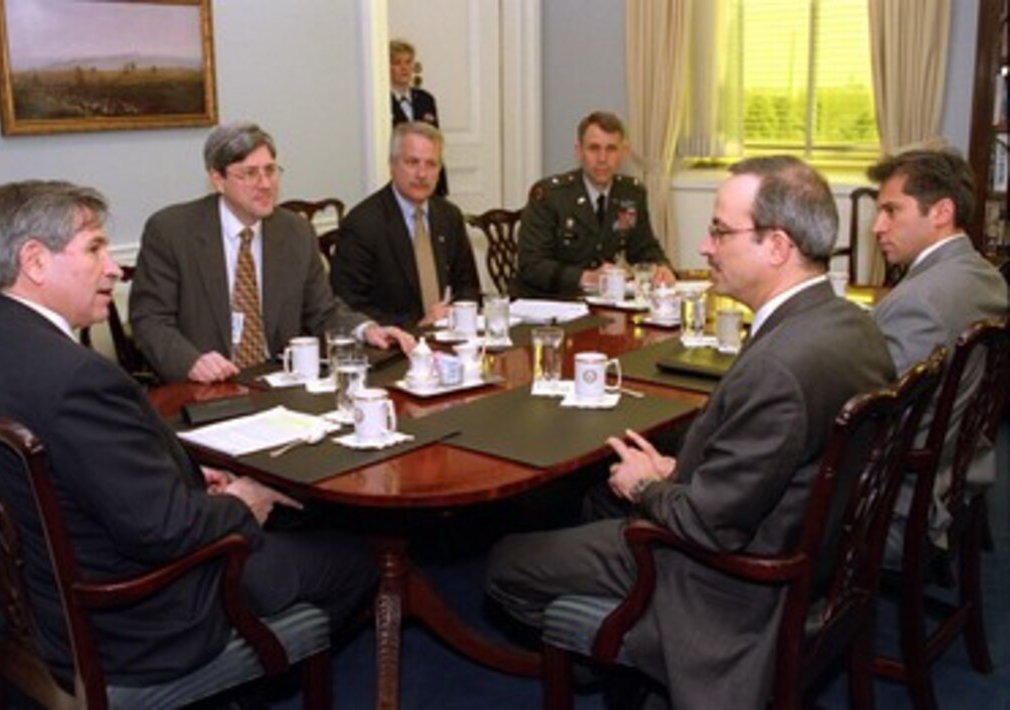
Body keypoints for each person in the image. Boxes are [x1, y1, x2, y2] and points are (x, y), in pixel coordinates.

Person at [0, 180, 377, 686]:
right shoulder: (77, 378)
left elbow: (83, 466)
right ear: (34, 261)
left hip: (26, 592)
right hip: (134, 621)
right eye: (95, 248)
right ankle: (263, 675)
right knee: (362, 554)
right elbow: (161, 530)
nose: (115, 267)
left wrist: (186, 474)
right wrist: (243, 501)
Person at [486, 156, 895, 709]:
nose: (704, 248)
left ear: (776, 246)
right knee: (588, 503)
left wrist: (647, 488)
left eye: (720, 231)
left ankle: (611, 649)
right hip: (808, 547)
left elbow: (710, 527)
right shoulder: (852, 325)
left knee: (506, 563)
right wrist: (678, 472)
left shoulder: (780, 368)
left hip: (726, 584)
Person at [130, 121, 413, 384]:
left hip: (278, 384)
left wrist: (365, 329)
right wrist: (191, 362)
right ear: (218, 179)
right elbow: (150, 321)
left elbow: (322, 312)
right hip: (207, 390)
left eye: (270, 170)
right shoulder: (172, 232)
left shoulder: (295, 232)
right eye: (250, 173)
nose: (265, 184)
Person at [866, 148, 1008, 565]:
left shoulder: (919, 303)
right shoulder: (984, 274)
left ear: (941, 211)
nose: (877, 227)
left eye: (892, 211)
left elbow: (869, 422)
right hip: (958, 468)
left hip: (902, 503)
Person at [331, 122, 480, 328]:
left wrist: (457, 313)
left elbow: (468, 287)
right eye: (412, 162)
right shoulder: (363, 224)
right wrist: (417, 325)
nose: (422, 174)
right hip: (393, 347)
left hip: (450, 337)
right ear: (392, 165)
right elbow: (349, 305)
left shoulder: (449, 216)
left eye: (431, 164)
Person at [515, 111, 675, 299]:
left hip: (602, 302)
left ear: (623, 153)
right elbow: (531, 265)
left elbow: (644, 248)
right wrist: (587, 277)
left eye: (611, 149)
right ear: (579, 151)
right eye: (594, 148)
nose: (602, 158)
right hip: (550, 301)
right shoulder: (551, 196)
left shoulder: (631, 193)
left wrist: (661, 267)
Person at [390, 38, 448, 197]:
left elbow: (435, 142)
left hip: (428, 179)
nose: (404, 68)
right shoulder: (381, 103)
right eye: (397, 63)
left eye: (408, 62)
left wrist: (440, 183)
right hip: (400, 179)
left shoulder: (425, 99)